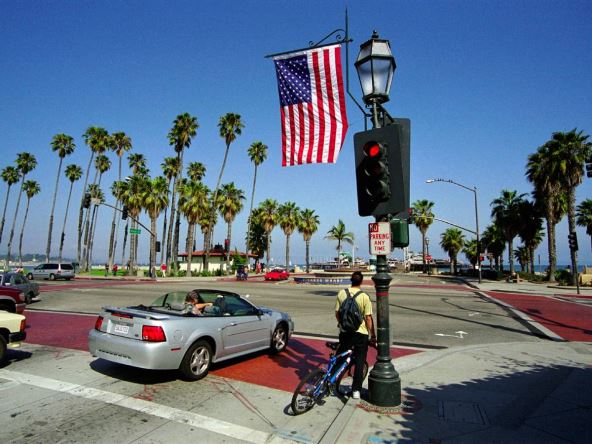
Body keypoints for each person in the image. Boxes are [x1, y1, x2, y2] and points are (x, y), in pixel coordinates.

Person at [334, 271, 376, 400]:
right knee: (359, 361)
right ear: (361, 281)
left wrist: (342, 324)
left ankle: (332, 380)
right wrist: (373, 335)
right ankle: (356, 390)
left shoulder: (342, 293)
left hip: (345, 332)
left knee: (340, 357)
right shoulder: (364, 297)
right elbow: (368, 318)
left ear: (351, 280)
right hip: (360, 334)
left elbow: (337, 313)